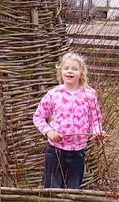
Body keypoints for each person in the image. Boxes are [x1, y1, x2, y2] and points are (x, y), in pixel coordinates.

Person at [33, 52, 104, 189]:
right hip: (55, 151)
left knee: (73, 189)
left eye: (74, 68)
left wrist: (97, 133)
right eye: (66, 68)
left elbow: (95, 120)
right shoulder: (54, 94)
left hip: (78, 152)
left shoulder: (89, 96)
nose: (69, 71)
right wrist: (49, 132)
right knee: (52, 190)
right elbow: (38, 117)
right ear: (61, 72)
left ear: (81, 73)